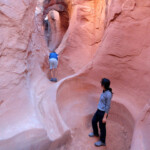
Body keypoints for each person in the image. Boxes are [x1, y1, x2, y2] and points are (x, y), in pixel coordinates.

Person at [89, 78, 113, 147]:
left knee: (102, 127)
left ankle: (102, 141)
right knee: (93, 121)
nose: (100, 84)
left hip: (103, 113)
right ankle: (96, 133)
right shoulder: (104, 90)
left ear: (104, 85)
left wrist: (105, 117)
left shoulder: (108, 94)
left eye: (101, 83)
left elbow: (108, 106)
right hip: (99, 110)